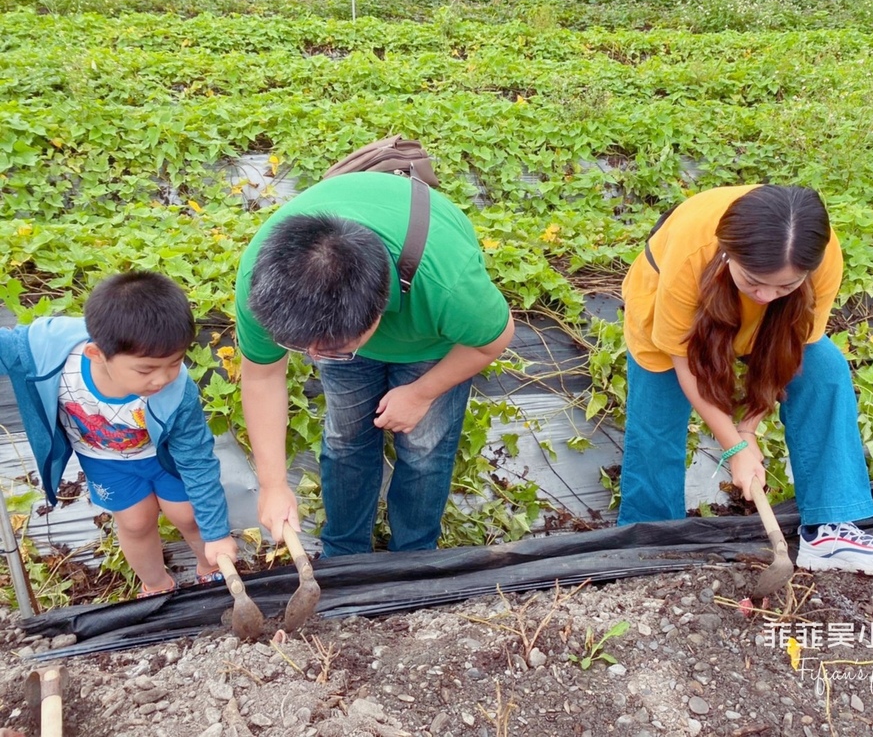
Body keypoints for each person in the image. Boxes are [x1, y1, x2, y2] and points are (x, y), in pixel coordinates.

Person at [619, 184, 873, 575]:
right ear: (728, 252)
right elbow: (685, 362)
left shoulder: (822, 259)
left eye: (785, 286)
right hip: (676, 309)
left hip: (771, 320)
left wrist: (750, 429)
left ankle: (830, 531)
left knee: (824, 370)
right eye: (754, 280)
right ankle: (651, 542)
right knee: (656, 415)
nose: (766, 296)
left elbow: (788, 350)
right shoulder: (692, 251)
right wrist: (733, 448)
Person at [235, 171, 514, 557]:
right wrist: (273, 485)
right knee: (345, 440)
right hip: (355, 318)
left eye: (332, 348)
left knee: (424, 448)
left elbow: (493, 342)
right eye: (304, 347)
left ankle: (414, 555)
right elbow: (262, 378)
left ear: (380, 312)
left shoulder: (448, 283)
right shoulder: (263, 282)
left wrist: (420, 393)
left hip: (430, 343)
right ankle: (345, 554)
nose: (316, 358)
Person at [0, 271, 237, 596]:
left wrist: (218, 534)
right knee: (135, 522)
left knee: (189, 515)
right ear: (97, 354)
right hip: (105, 460)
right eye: (146, 369)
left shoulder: (176, 391)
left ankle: (212, 566)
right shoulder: (51, 356)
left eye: (175, 361)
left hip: (164, 454)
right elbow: (8, 348)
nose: (163, 378)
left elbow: (197, 460)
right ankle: (156, 586)